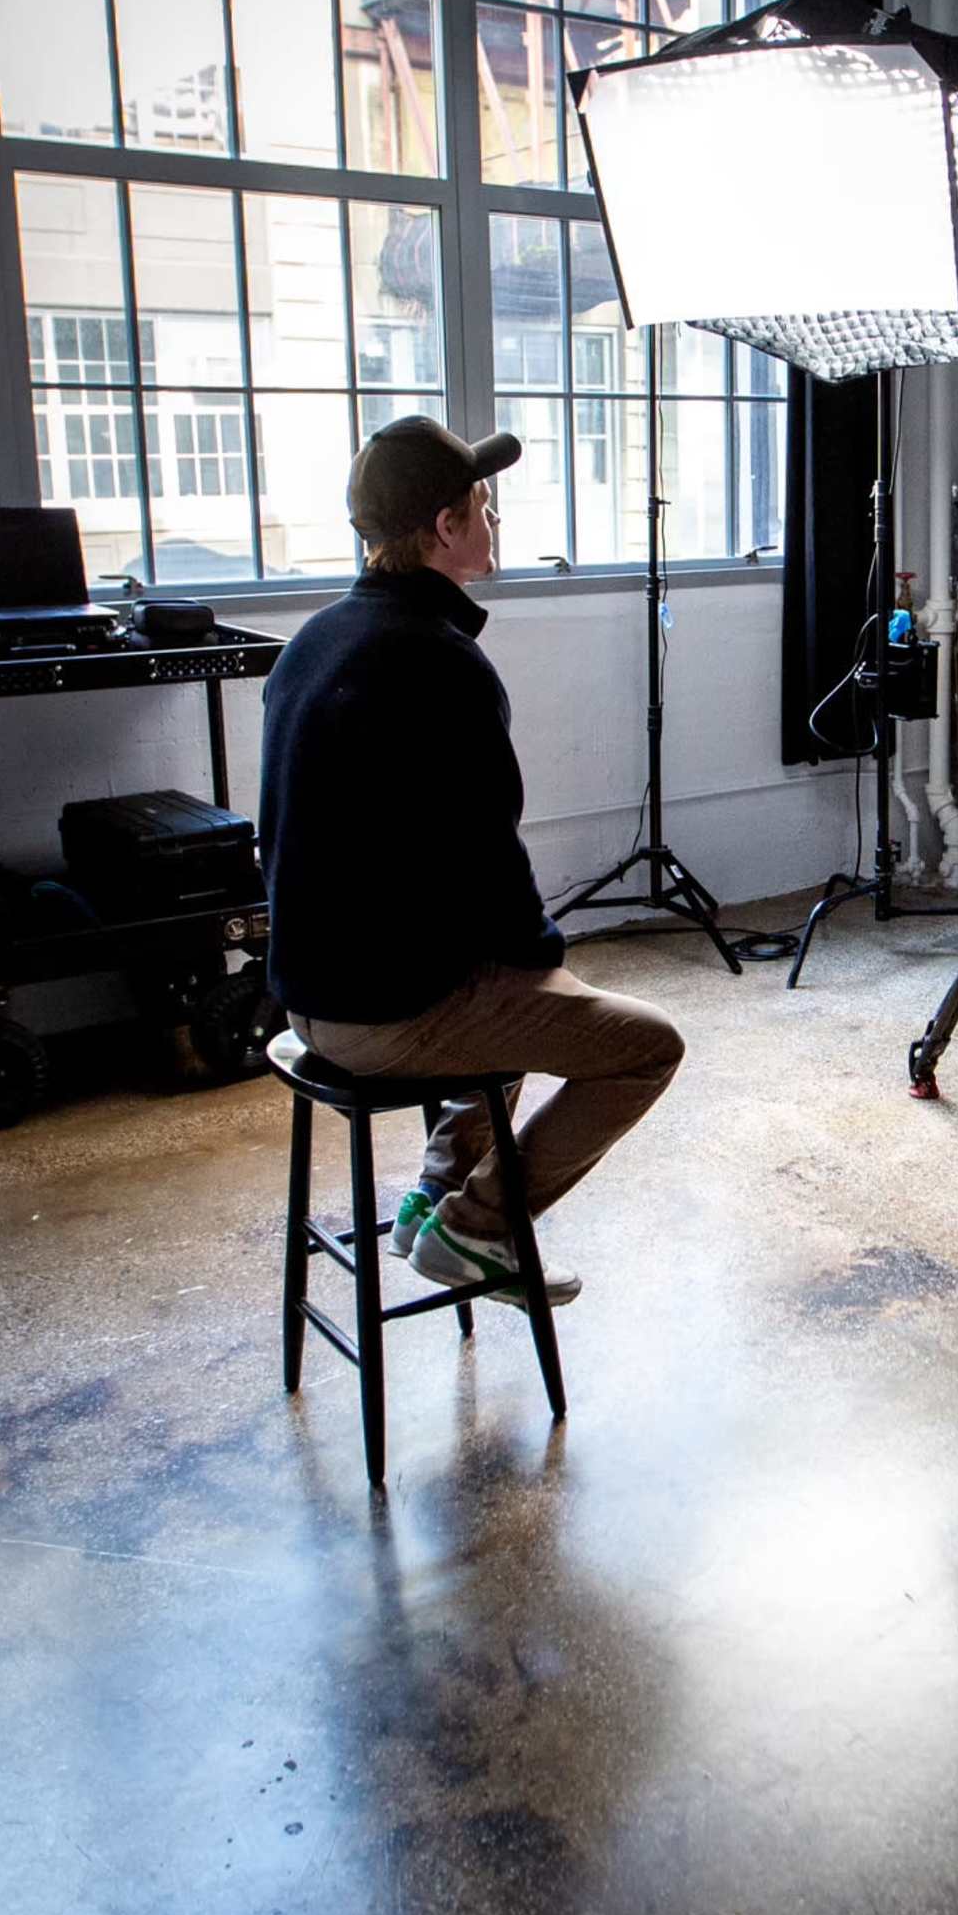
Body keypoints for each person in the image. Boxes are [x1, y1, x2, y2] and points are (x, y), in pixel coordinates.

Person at [257, 415, 684, 1305]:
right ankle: (476, 1227)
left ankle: (431, 1200)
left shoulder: (316, 641)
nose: (492, 520)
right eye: (481, 506)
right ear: (445, 529)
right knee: (645, 1044)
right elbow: (491, 859)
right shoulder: (437, 661)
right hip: (385, 1015)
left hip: (310, 994)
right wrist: (545, 959)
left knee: (519, 989)